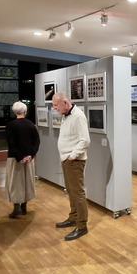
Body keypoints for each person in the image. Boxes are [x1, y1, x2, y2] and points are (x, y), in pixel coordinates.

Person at [52, 92, 91, 241]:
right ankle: (73, 217)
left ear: (66, 103)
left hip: (74, 161)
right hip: (67, 160)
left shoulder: (78, 116)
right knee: (71, 191)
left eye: (56, 105)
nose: (54, 108)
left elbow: (85, 141)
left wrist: (72, 156)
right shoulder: (66, 116)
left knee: (78, 193)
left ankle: (82, 226)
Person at [5, 101, 40, 218]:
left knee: (14, 183)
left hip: (15, 159)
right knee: (27, 182)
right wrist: (30, 155)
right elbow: (36, 142)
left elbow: (11, 144)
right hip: (29, 159)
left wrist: (20, 157)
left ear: (14, 111)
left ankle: (16, 209)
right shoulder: (31, 125)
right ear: (25, 111)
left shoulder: (11, 125)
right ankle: (24, 206)